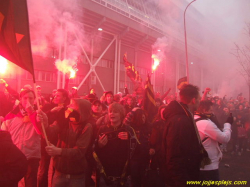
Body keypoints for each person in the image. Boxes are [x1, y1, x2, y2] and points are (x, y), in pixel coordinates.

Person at [37, 98, 93, 187]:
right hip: (59, 173)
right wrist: (45, 123)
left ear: (80, 110)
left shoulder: (87, 126)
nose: (68, 107)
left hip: (77, 176)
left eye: (71, 105)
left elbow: (79, 151)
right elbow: (50, 134)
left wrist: (58, 151)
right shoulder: (63, 121)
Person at [161, 84, 207, 187]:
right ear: (194, 100)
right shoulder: (181, 121)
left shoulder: (185, 116)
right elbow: (174, 157)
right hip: (181, 180)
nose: (200, 102)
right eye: (199, 99)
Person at [1, 89, 42, 187]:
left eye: (31, 98)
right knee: (13, 182)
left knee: (31, 183)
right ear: (20, 99)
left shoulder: (38, 115)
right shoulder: (11, 115)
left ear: (34, 100)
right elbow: (4, 135)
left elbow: (40, 131)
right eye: (25, 98)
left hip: (31, 155)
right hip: (15, 156)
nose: (28, 100)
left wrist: (31, 113)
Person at [94, 103, 138, 187]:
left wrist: (130, 139)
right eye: (110, 112)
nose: (112, 114)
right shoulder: (102, 129)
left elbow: (138, 150)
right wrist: (99, 145)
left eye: (115, 112)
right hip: (105, 173)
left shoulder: (128, 129)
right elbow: (94, 150)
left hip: (123, 174)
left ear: (121, 114)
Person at [194, 100, 232, 184]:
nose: (212, 113)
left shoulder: (193, 119)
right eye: (210, 110)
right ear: (204, 110)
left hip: (198, 163)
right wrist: (228, 124)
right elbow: (224, 138)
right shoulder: (205, 124)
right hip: (209, 166)